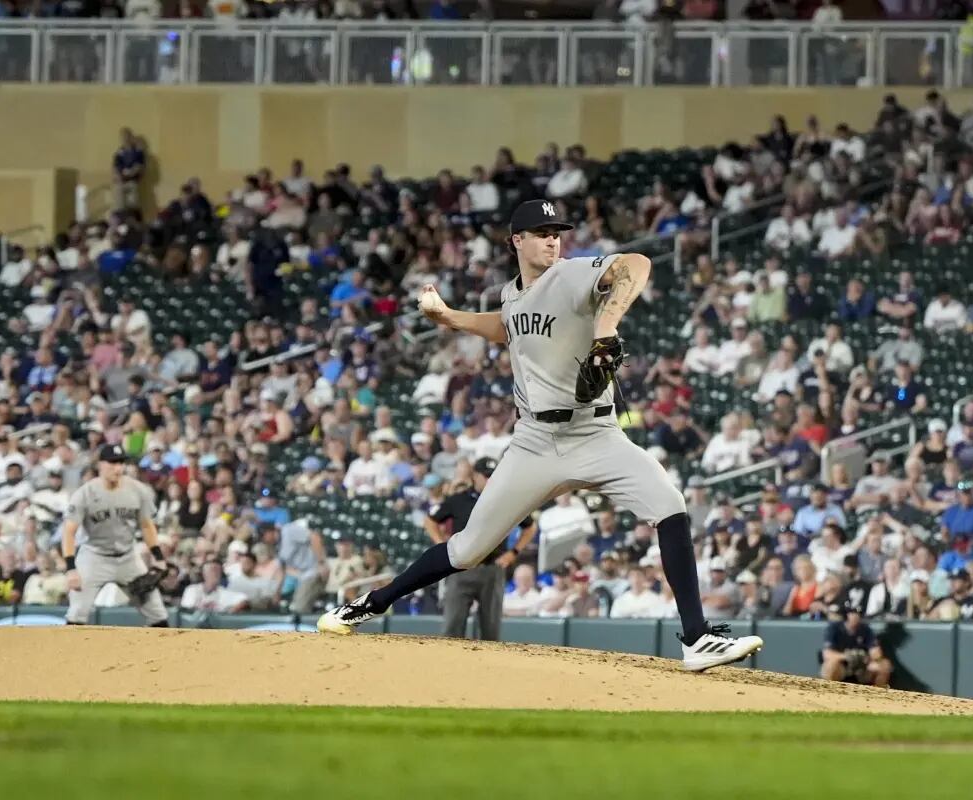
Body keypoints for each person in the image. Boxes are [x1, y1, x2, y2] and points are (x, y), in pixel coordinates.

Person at [318, 200, 763, 671]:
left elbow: (636, 264)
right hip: (534, 442)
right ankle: (370, 603)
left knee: (670, 505)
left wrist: (606, 324)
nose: (553, 240)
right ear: (517, 240)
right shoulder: (512, 294)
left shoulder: (569, 275)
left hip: (595, 432)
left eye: (556, 232)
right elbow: (508, 326)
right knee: (468, 549)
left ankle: (695, 638)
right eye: (541, 233)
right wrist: (449, 318)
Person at [426, 456, 538, 641]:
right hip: (461, 568)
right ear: (475, 476)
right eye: (486, 475)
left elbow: (530, 526)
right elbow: (430, 521)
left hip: (492, 568)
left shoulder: (505, 500)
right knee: (451, 627)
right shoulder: (459, 500)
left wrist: (514, 552)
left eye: (493, 475)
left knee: (490, 631)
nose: (489, 480)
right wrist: (441, 544)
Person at [61, 444, 168, 627]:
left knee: (157, 614)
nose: (117, 468)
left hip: (128, 557)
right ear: (100, 464)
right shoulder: (85, 493)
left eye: (120, 463)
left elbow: (146, 525)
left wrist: (158, 557)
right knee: (77, 613)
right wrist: (71, 568)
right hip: (94, 557)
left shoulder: (138, 490)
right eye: (112, 463)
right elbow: (69, 531)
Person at [819, 602, 892, 687]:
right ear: (846, 614)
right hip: (842, 665)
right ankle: (829, 691)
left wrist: (867, 656)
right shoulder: (834, 628)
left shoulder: (865, 629)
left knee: (884, 665)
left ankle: (877, 692)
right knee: (831, 665)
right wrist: (847, 656)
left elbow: (876, 653)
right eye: (852, 613)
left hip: (861, 667)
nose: (855, 616)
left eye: (858, 614)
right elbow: (827, 654)